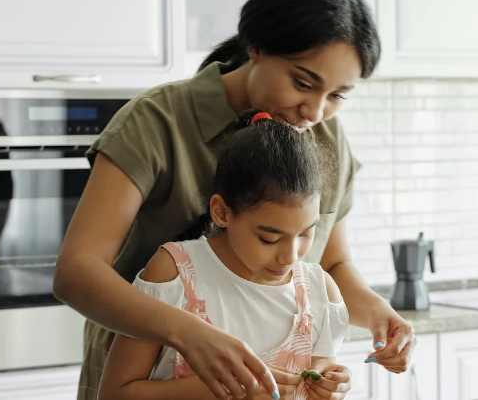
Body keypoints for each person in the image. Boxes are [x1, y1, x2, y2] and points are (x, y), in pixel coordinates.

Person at [54, 0, 416, 400]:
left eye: (337, 95)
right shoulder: (157, 121)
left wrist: (378, 313)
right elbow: (77, 273)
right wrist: (191, 333)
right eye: (303, 82)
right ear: (256, 48)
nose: (316, 111)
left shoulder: (326, 140)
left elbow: (331, 266)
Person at [98, 110, 350, 400]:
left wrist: (332, 383)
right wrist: (215, 390)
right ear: (221, 212)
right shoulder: (174, 274)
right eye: (270, 238)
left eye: (306, 233)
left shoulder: (319, 292)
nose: (290, 257)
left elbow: (319, 373)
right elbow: (114, 394)